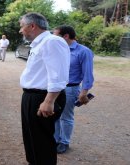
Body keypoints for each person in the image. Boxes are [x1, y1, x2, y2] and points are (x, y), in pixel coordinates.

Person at [19, 12, 70, 165]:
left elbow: (58, 75)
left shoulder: (52, 42)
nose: (20, 30)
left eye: (22, 26)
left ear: (32, 26)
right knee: (32, 138)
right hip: (32, 96)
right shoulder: (39, 44)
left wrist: (49, 101)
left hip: (43, 97)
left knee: (42, 140)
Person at [53, 25, 94, 154]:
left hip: (70, 89)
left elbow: (88, 74)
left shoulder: (83, 51)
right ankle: (55, 139)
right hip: (55, 88)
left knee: (66, 117)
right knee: (55, 115)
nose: (53, 39)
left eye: (56, 36)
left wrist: (84, 93)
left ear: (66, 36)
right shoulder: (58, 49)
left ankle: (64, 142)